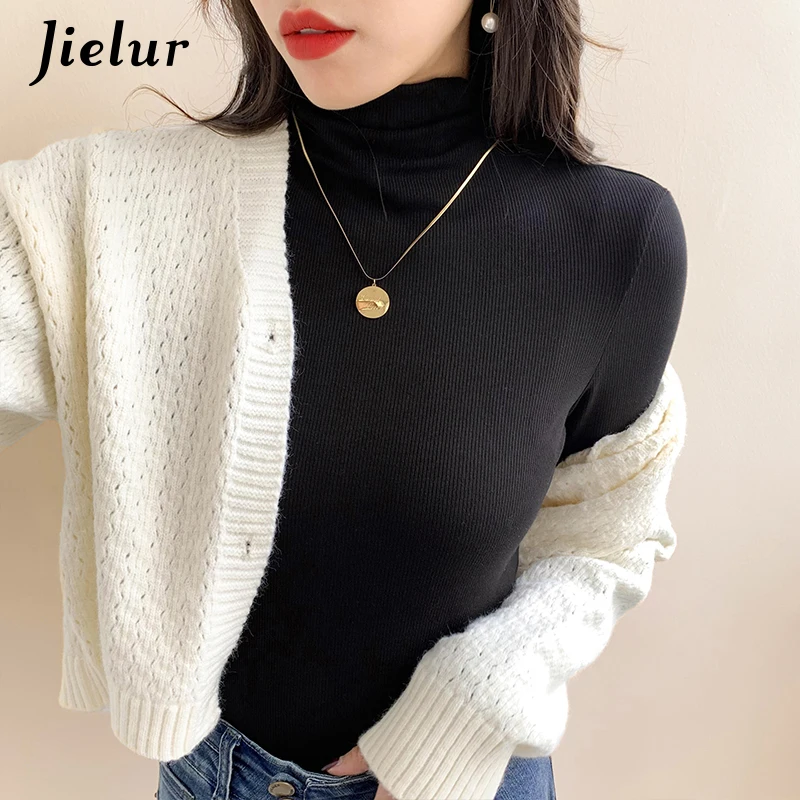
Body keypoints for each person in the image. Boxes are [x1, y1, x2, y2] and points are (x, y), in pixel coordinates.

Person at [0, 1, 688, 799]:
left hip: (468, 780)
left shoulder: (615, 237)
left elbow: (604, 537)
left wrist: (472, 702)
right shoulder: (108, 208)